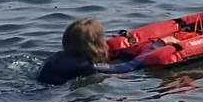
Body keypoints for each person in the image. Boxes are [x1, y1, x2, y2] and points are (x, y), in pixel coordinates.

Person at [37, 16, 180, 85]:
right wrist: (158, 45)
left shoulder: (57, 56)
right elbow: (128, 67)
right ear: (96, 43)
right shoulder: (86, 66)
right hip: (50, 94)